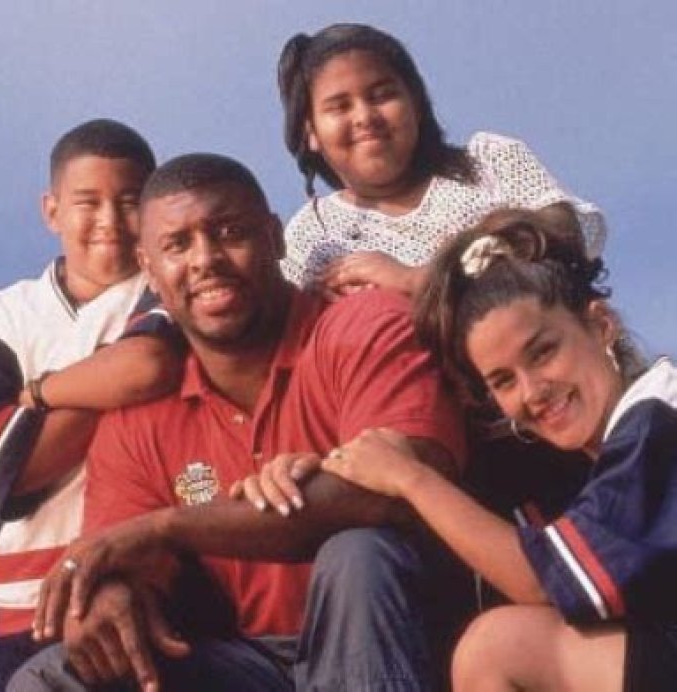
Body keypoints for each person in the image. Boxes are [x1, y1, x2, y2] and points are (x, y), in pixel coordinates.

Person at [9, 153, 467, 691]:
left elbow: (399, 490)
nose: (205, 259)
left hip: (403, 642)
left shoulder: (363, 324)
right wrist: (112, 593)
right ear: (149, 268)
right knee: (49, 679)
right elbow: (121, 555)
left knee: (359, 553)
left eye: (229, 232)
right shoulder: (138, 416)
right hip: (250, 662)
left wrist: (167, 524)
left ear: (275, 237)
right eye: (177, 245)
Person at [278, 207, 676, 691]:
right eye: (503, 380)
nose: (532, 392)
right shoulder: (575, 456)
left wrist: (410, 477)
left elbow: (542, 582)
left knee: (497, 646)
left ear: (601, 325)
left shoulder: (657, 416)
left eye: (544, 351)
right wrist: (316, 472)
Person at [0, 119, 179, 692]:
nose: (109, 220)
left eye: (129, 201)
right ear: (52, 211)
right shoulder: (4, 318)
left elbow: (148, 366)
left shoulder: (168, 286)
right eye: (88, 202)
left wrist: (41, 393)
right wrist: (112, 383)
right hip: (22, 596)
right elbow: (11, 470)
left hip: (144, 576)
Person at [277, 22, 606, 298]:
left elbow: (565, 234)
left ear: (417, 105)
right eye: (340, 106)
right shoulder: (312, 236)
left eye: (382, 95)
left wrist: (419, 279)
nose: (365, 117)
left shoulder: (489, 160)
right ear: (310, 132)